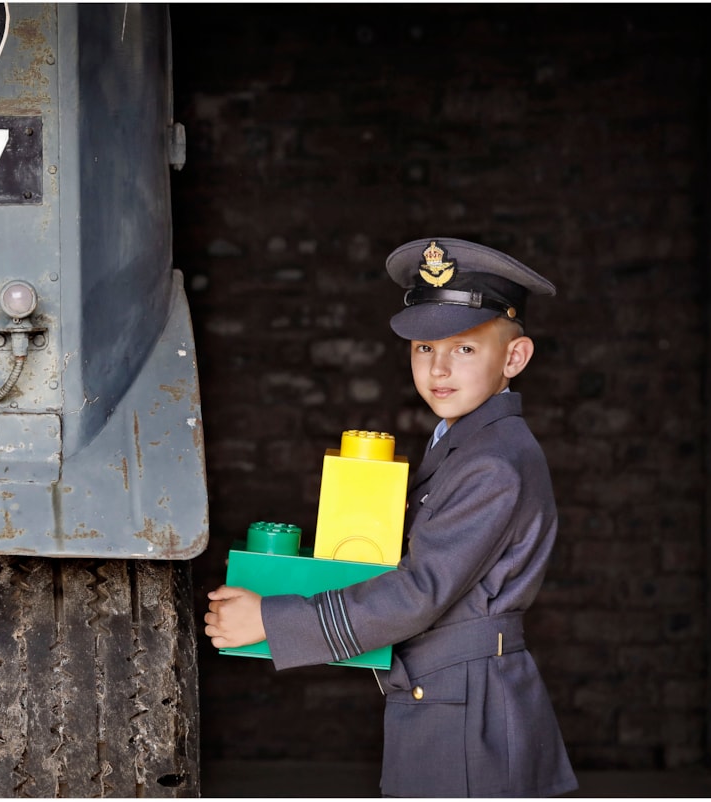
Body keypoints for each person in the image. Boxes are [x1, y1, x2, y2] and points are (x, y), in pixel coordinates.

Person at [204, 238, 578, 797]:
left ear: (514, 358)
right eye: (424, 347)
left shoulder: (493, 463)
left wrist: (274, 621)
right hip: (453, 692)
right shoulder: (464, 443)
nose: (439, 368)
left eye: (466, 350)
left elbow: (419, 591)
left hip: (467, 712)